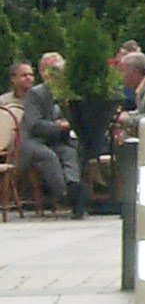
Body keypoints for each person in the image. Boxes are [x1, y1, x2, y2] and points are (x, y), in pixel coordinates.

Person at [18, 52, 86, 218]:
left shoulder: (66, 94)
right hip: (34, 140)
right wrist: (58, 126)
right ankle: (64, 194)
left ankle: (73, 186)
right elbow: (34, 125)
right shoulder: (36, 93)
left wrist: (67, 124)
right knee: (49, 156)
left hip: (56, 139)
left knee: (69, 151)